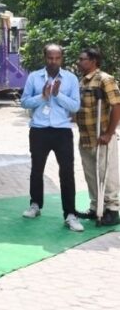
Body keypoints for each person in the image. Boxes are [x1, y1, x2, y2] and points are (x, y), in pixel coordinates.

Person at [20, 43, 83, 232]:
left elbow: (75, 106)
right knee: (37, 169)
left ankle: (70, 214)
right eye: (50, 58)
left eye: (57, 58)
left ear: (61, 59)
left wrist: (58, 95)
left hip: (62, 131)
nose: (53, 61)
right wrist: (42, 96)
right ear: (44, 58)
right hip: (39, 130)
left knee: (67, 172)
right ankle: (35, 205)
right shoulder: (34, 77)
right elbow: (24, 102)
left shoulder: (71, 79)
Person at [74, 47, 120, 226]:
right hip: (85, 137)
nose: (79, 62)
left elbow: (116, 105)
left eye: (82, 59)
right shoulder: (83, 81)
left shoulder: (105, 79)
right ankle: (96, 207)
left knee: (106, 175)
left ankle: (112, 210)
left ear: (93, 61)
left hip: (102, 138)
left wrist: (109, 133)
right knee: (91, 174)